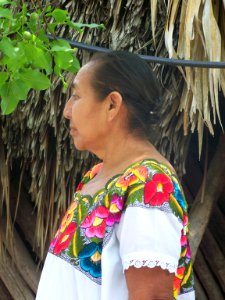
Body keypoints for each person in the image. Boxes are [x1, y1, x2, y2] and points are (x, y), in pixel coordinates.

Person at [36, 51, 195, 300]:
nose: (67, 111)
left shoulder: (150, 182)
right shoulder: (96, 176)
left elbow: (151, 296)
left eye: (76, 96)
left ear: (112, 104)